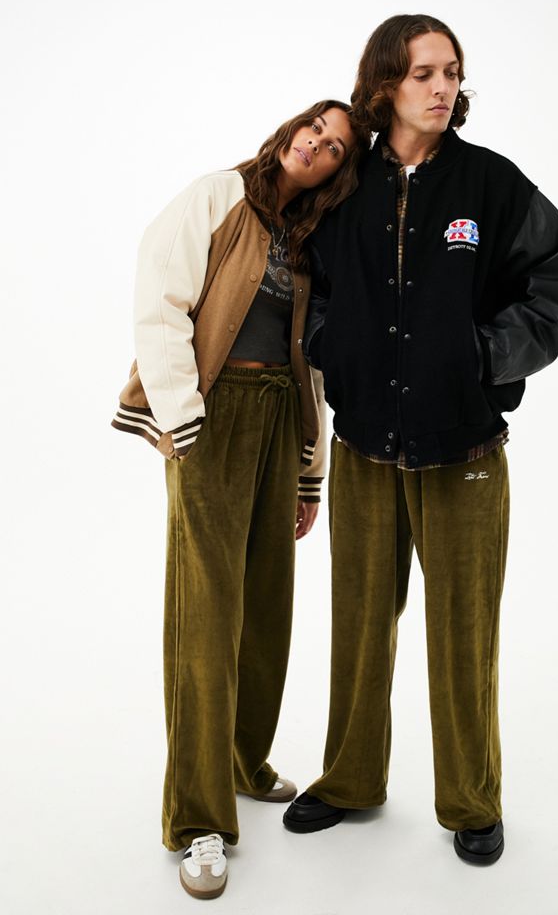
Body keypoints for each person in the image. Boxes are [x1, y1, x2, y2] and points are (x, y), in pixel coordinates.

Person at [283, 15, 558, 865]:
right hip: (364, 450)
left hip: (465, 453)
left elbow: (556, 274)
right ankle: (349, 779)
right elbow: (309, 284)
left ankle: (472, 801)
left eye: (452, 71)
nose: (443, 87)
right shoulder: (347, 187)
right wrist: (329, 344)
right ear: (385, 85)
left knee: (463, 633)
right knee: (358, 625)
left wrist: (487, 356)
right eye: (424, 73)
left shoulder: (491, 184)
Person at [112, 99, 366, 898]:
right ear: (291, 131)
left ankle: (242, 761)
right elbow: (160, 300)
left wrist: (309, 471)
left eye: (335, 148)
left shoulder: (309, 239)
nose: (317, 145)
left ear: (337, 173)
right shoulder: (218, 195)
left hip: (276, 422)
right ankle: (198, 820)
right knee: (206, 616)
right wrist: (182, 418)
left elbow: (309, 364)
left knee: (266, 605)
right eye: (314, 129)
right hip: (211, 417)